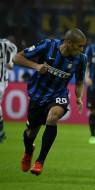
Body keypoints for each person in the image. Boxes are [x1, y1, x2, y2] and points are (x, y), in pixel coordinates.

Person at [12, 28, 87, 175]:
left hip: (58, 94)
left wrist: (78, 97)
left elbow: (79, 82)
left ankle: (40, 161)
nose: (82, 49)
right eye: (80, 46)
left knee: (53, 116)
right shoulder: (48, 45)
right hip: (38, 95)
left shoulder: (81, 59)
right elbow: (16, 58)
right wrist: (36, 66)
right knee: (30, 133)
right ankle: (28, 152)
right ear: (69, 43)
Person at [0, 38, 17, 143]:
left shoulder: (5, 44)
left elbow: (10, 65)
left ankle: (1, 132)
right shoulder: (8, 45)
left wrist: (9, 61)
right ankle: (1, 132)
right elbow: (10, 66)